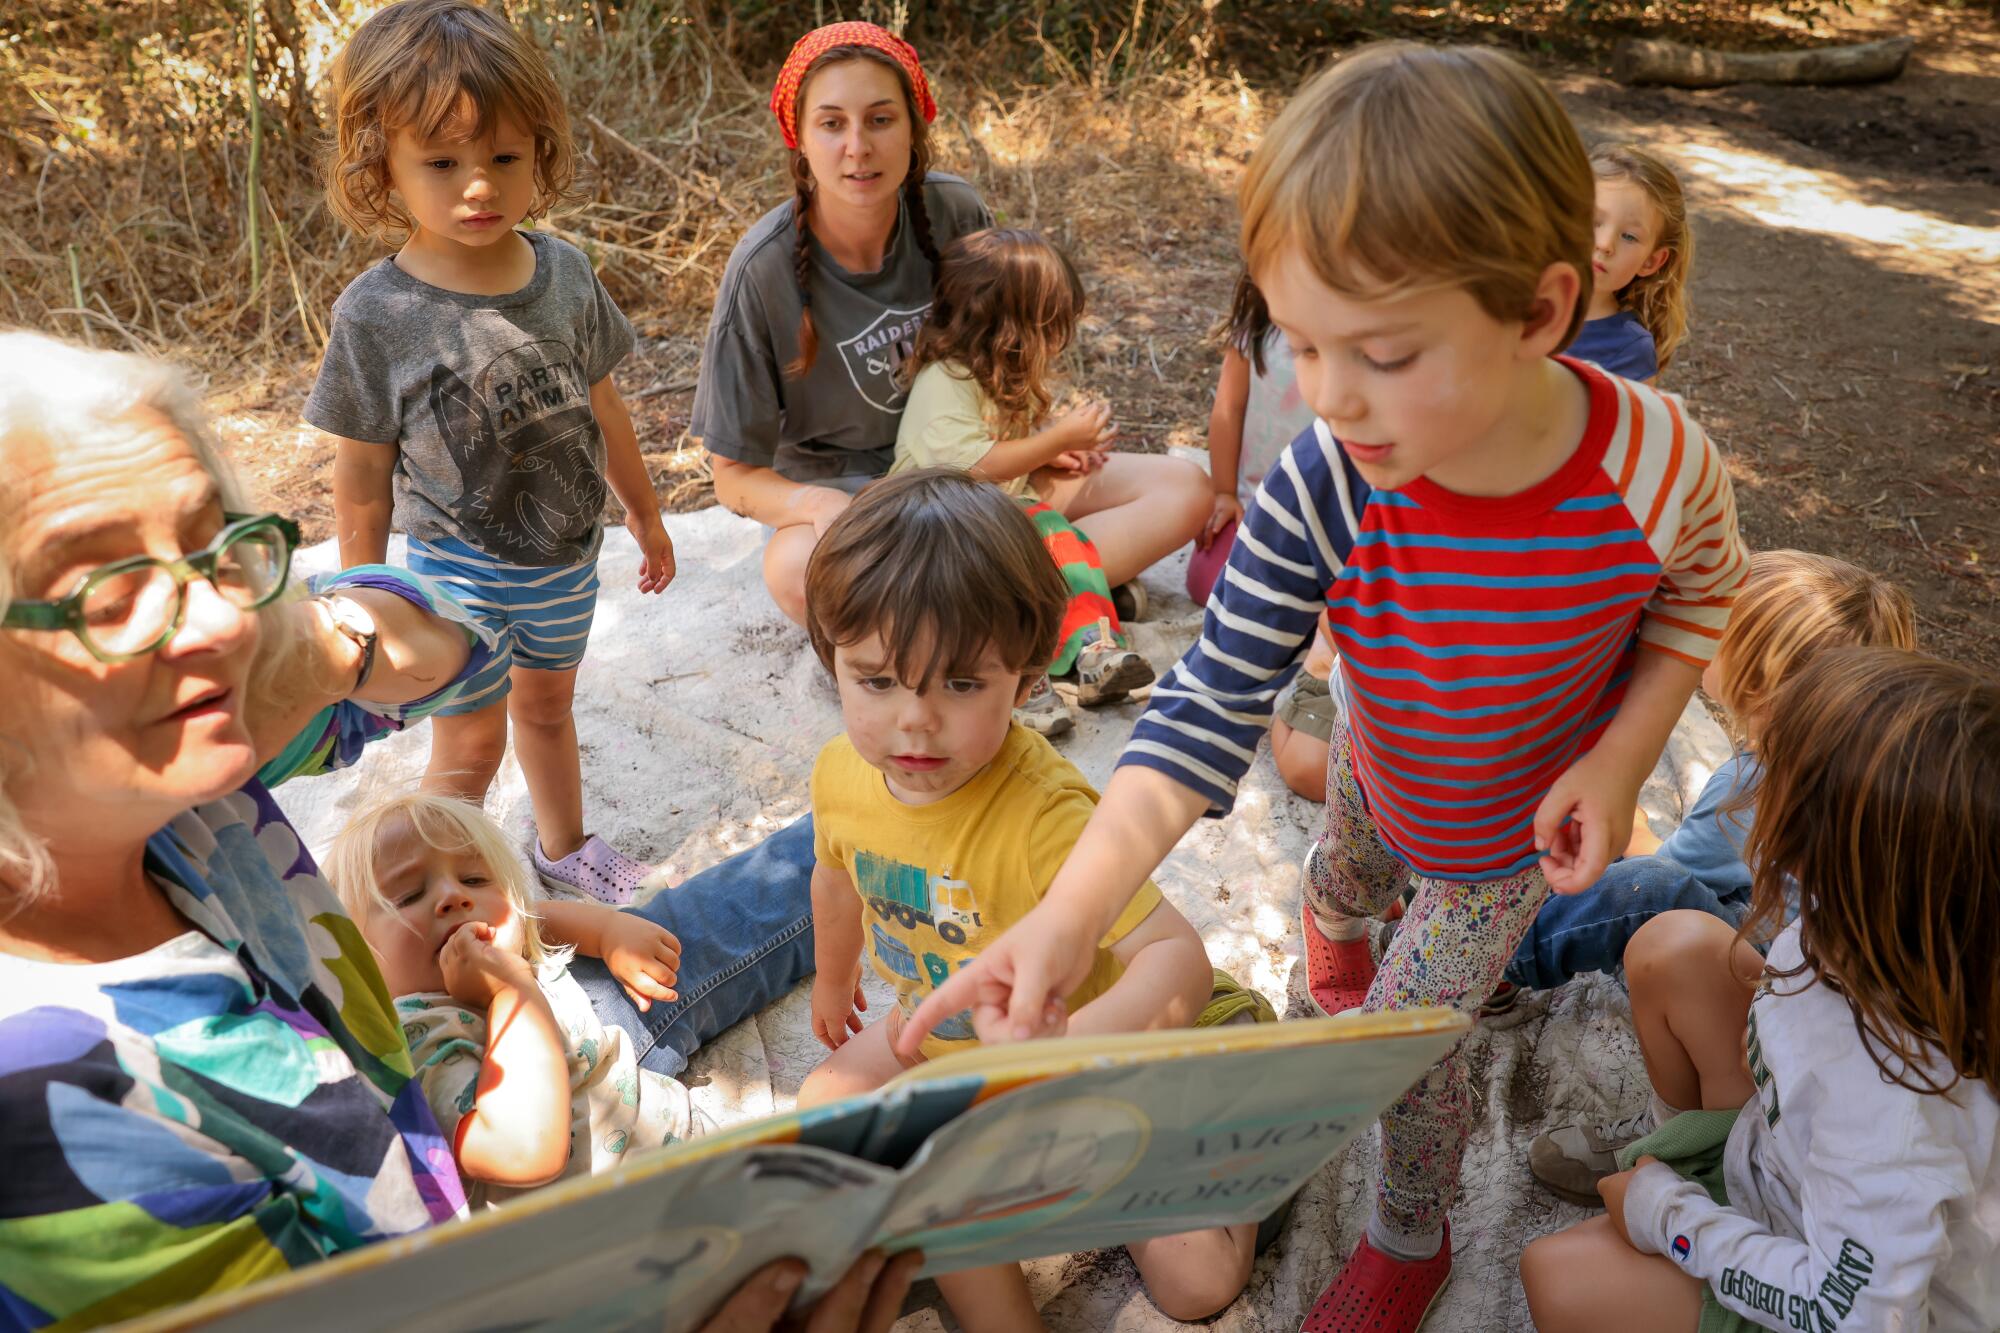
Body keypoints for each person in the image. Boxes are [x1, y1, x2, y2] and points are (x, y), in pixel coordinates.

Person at [902, 43, 1751, 1332]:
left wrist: (1625, 751)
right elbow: (1202, 705)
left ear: (1536, 310)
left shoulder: (1652, 460)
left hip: (1500, 839)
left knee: (1402, 1055)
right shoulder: (1331, 480)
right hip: (1373, 755)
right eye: (1298, 342)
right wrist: (1072, 916)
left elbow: (1698, 598)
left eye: (1382, 351)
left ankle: (1409, 1235)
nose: (1328, 396)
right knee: (1342, 881)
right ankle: (1337, 944)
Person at [0, 330, 830, 1327]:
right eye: (108, 589)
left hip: (545, 1047)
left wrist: (298, 652)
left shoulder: (171, 780)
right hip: (554, 1215)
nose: (219, 624)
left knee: (811, 868)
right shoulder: (52, 1111)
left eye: (211, 543)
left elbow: (462, 653)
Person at [795, 470, 1261, 1328]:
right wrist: (833, 981)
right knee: (824, 1110)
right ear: (833, 659)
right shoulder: (841, 775)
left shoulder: (1046, 813)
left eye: (961, 684)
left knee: (1198, 1282)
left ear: (1030, 672)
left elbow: (1176, 961)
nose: (914, 722)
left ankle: (1229, 1119)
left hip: (1110, 1059)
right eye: (877, 680)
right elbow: (833, 875)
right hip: (953, 1045)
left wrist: (1060, 1057)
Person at [1520, 647, 2000, 1332]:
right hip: (1783, 1171)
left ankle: (1666, 1188)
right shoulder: (1873, 928)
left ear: (1839, 858)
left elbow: (1851, 1313)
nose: (1754, 795)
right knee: (1674, 948)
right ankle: (1673, 1155)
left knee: (1557, 1279)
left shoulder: (1891, 1120)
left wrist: (1671, 1217)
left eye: (1778, 784)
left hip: (1825, 1288)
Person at [313, 0, 672, 903]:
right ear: (382, 166)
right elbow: (360, 481)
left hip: (564, 560)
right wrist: (369, 601)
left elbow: (603, 402)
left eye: (504, 158)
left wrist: (645, 509)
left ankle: (561, 849)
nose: (478, 186)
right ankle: (436, 886)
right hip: (455, 571)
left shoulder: (564, 275)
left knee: (548, 710)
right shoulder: (379, 313)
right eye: (442, 163)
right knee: (469, 742)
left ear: (538, 153)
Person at [1494, 552, 1914, 1037]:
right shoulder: (1862, 772)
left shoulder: (1759, 781)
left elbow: (1675, 873)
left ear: (1757, 680)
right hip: (1796, 966)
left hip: (1756, 989)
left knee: (1645, 886)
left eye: (1717, 633)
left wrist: (1635, 833)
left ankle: (1497, 963)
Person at [892, 228, 1207, 734]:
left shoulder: (985, 376)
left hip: (992, 520)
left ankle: (1087, 642)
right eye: (1051, 326)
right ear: (1011, 328)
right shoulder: (944, 381)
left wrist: (1046, 457)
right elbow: (969, 469)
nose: (1059, 341)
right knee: (1049, 531)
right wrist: (1056, 440)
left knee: (1052, 533)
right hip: (940, 539)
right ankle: (1041, 667)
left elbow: (992, 454)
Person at [326, 793, 700, 1208]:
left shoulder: (506, 945)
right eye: (408, 896)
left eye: (474, 879)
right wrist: (510, 989)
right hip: (634, 1218)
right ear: (360, 967)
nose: (454, 896)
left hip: (687, 1142)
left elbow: (530, 918)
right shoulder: (416, 1036)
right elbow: (524, 1151)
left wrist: (609, 931)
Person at [1186, 272, 1319, 608]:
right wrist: (1225, 493)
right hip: (1255, 505)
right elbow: (1228, 410)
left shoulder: (1350, 342)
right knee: (1207, 584)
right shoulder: (1257, 331)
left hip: (1325, 515)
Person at [1569, 143, 1692, 385]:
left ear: (1651, 261)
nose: (1605, 244)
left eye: (1629, 236)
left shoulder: (1629, 351)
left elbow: (1631, 423)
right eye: (1593, 221)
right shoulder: (1513, 300)